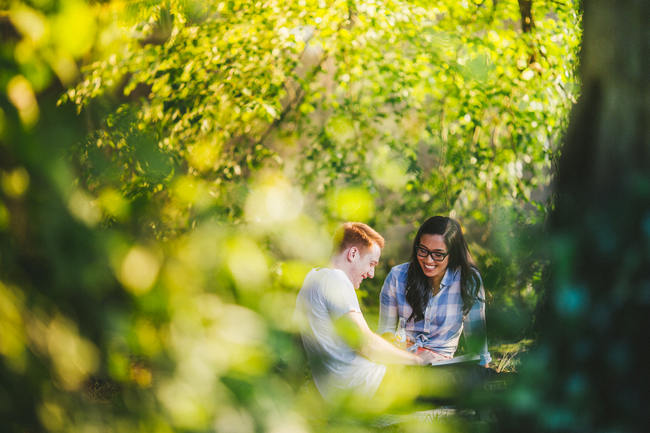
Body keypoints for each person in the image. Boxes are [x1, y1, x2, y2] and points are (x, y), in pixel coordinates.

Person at [295, 222, 433, 401]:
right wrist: (415, 360)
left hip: (335, 392)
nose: (371, 273)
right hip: (368, 386)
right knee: (458, 382)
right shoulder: (335, 278)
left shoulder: (311, 279)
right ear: (353, 254)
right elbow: (366, 344)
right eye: (371, 263)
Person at [378, 216, 492, 367]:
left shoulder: (468, 281)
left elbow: (477, 346)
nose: (428, 261)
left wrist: (482, 372)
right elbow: (385, 332)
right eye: (423, 251)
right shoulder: (397, 277)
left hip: (442, 367)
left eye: (438, 254)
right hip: (402, 362)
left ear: (453, 255)